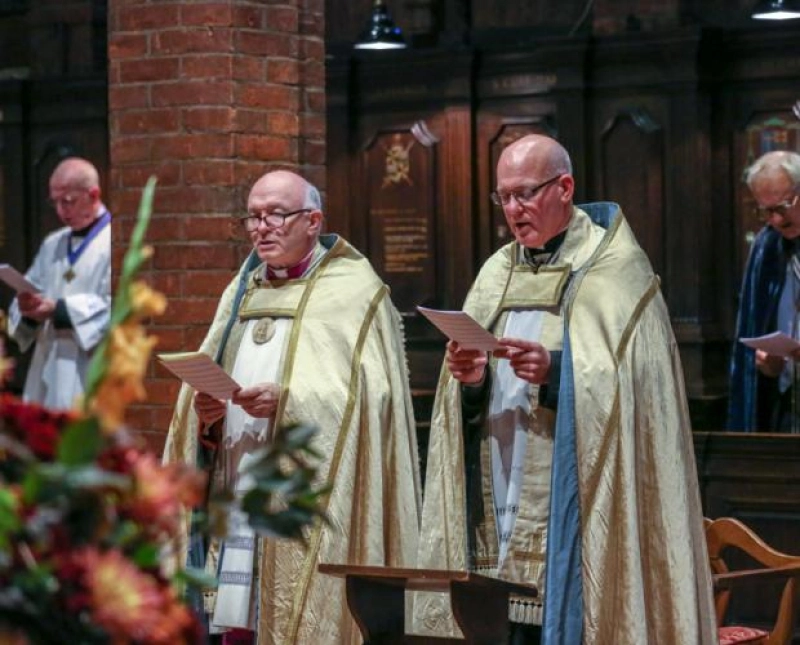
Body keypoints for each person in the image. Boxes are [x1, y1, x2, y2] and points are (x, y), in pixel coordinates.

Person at [413, 135, 716, 644]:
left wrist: (556, 370)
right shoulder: (496, 271)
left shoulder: (614, 269)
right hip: (503, 486)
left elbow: (636, 389)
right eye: (504, 197)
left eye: (525, 193)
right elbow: (468, 397)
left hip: (569, 491)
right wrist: (472, 380)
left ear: (565, 187)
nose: (513, 209)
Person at [163, 170, 421, 645]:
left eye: (276, 215)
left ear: (312, 220)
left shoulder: (355, 291)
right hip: (239, 481)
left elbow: (374, 400)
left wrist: (290, 402)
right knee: (238, 621)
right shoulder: (241, 290)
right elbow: (203, 394)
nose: (263, 227)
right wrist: (207, 417)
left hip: (307, 496)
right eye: (254, 217)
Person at [7, 157, 111, 409]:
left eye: (68, 201)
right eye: (55, 202)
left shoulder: (114, 240)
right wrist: (28, 309)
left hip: (91, 367)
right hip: (48, 366)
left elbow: (115, 305)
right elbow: (30, 287)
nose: (61, 211)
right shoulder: (53, 243)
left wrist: (59, 309)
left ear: (93, 194)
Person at [728, 150, 800, 433]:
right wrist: (768, 365)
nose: (775, 220)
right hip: (786, 406)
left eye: (782, 207)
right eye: (765, 211)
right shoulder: (767, 246)